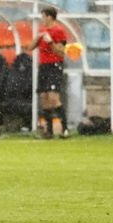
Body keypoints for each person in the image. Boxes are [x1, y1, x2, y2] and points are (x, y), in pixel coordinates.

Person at [25, 7, 69, 139]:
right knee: (44, 98)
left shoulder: (59, 31)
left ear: (50, 17)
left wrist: (50, 42)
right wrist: (37, 38)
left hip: (54, 66)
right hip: (43, 66)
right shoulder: (42, 30)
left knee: (53, 98)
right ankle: (48, 131)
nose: (42, 19)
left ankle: (64, 129)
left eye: (43, 16)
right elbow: (30, 47)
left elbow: (61, 52)